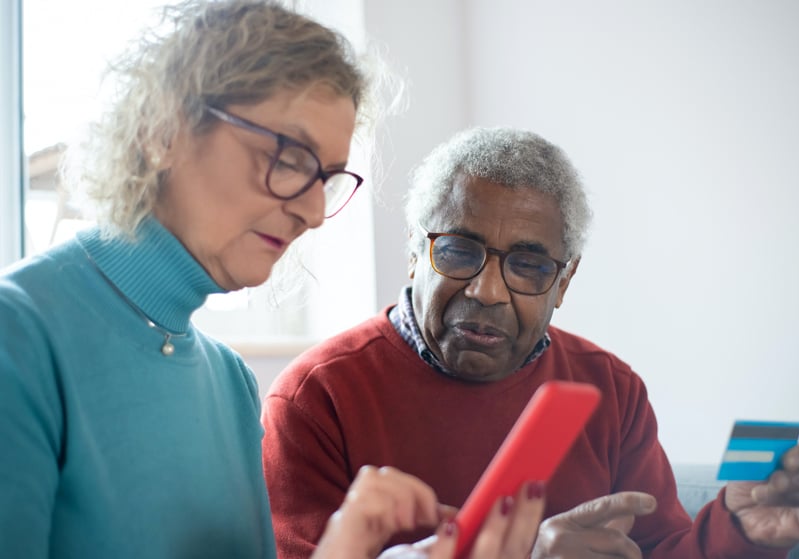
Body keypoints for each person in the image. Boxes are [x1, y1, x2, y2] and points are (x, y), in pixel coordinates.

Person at [0, 2, 546, 558]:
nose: (311, 213)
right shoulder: (17, 335)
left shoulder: (229, 381)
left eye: (328, 179)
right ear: (161, 130)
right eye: (288, 157)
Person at [261, 125, 799, 558]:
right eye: (459, 252)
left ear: (564, 282)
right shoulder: (317, 397)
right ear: (415, 254)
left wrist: (739, 533)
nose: (487, 291)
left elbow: (663, 549)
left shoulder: (610, 389)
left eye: (529, 266)